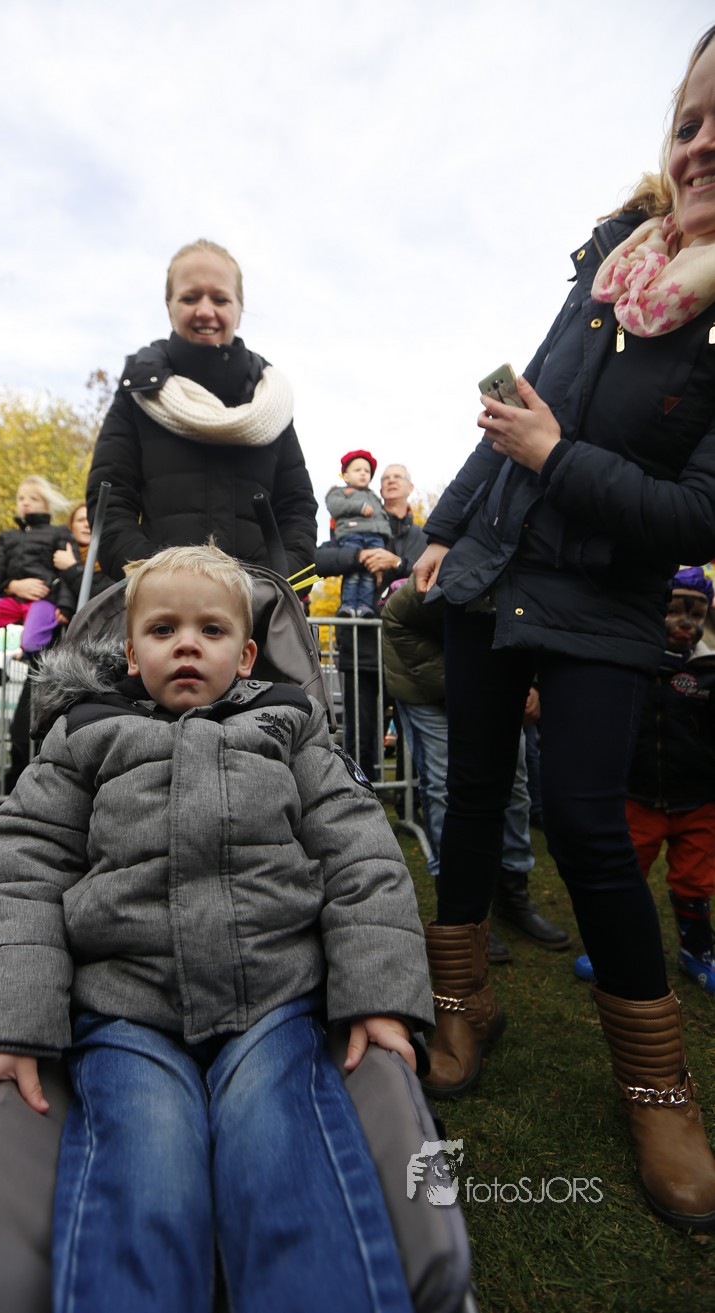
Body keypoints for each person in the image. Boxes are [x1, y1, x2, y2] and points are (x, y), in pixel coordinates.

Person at [0, 541, 431, 1313]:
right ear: (129, 653)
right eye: (162, 629)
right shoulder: (84, 735)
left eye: (209, 630)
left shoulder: (288, 726)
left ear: (245, 656)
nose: (185, 644)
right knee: (145, 1174)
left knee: (282, 1163)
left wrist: (378, 991)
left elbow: (360, 852)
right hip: (125, 1007)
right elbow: (19, 868)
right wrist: (5, 1024)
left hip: (276, 999)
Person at [411, 26, 715, 1231]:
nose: (700, 145)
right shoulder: (610, 257)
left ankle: (658, 1090)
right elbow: (513, 407)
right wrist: (442, 523)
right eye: (689, 121)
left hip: (601, 602)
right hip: (492, 571)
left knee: (587, 822)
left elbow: (693, 515)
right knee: (468, 796)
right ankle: (460, 1006)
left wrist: (551, 454)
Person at [86, 239, 317, 583]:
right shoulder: (137, 393)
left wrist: (271, 587)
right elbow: (111, 502)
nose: (206, 311)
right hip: (160, 605)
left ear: (239, 309)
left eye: (220, 299)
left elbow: (297, 508)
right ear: (169, 307)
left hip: (259, 604)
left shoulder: (272, 400)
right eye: (190, 298)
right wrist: (157, 580)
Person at [381, 580, 570, 960]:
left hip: (494, 680)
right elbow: (397, 621)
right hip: (426, 687)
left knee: (514, 784)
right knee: (446, 790)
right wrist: (466, 686)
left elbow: (539, 632)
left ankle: (512, 896)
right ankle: (461, 915)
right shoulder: (442, 578)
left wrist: (532, 684)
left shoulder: (539, 575)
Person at [575, 566, 715, 994]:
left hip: (699, 798)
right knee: (626, 870)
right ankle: (614, 949)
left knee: (695, 878)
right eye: (675, 611)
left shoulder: (709, 667)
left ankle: (696, 948)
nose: (685, 623)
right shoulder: (635, 657)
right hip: (637, 794)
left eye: (696, 614)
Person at [315, 464, 427, 781]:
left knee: (411, 729)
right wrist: (358, 558)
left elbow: (433, 574)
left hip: (406, 649)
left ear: (410, 487)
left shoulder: (423, 536)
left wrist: (397, 563)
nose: (390, 481)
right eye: (385, 477)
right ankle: (361, 793)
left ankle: (411, 798)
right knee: (360, 729)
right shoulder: (355, 522)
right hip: (360, 647)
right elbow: (321, 558)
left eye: (397, 477)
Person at [0, 476, 74, 655]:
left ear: (47, 505)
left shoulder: (59, 533)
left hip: (44, 599)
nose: (25, 503)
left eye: (33, 499)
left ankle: (36, 671)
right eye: (21, 498)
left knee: (31, 642)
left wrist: (65, 605)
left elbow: (66, 572)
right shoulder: (7, 536)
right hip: (13, 600)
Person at [326, 449, 392, 617]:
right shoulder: (341, 492)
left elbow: (382, 518)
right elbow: (334, 506)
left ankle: (364, 606)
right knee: (353, 571)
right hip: (352, 533)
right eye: (357, 470)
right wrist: (360, 507)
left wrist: (386, 534)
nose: (363, 473)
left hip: (375, 537)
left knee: (370, 573)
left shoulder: (374, 497)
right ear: (346, 477)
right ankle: (348, 605)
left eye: (367, 471)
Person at [52, 500, 114, 616]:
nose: (87, 524)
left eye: (92, 520)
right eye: (81, 520)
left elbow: (107, 600)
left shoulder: (110, 560)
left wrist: (72, 567)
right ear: (71, 526)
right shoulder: (54, 553)